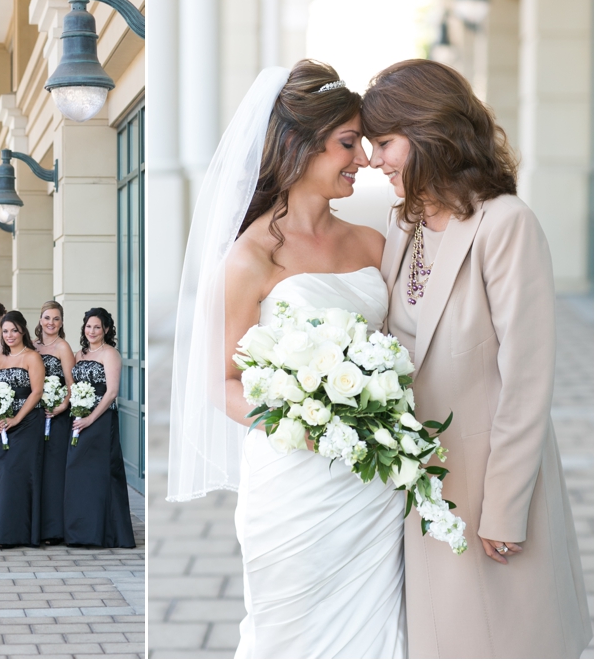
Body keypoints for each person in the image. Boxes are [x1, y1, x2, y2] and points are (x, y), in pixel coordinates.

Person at [167, 62, 404, 658]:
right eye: (348, 144)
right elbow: (221, 381)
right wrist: (299, 419)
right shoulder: (250, 258)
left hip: (370, 483)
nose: (362, 159)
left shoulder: (373, 242)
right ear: (300, 147)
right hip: (293, 483)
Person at [363, 58, 591, 659]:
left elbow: (527, 380)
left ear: (428, 131)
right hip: (423, 492)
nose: (375, 159)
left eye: (385, 143)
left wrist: (506, 509)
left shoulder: (505, 224)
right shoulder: (404, 225)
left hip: (490, 497)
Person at [64, 308, 135, 549]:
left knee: (100, 475)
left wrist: (91, 419)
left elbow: (112, 392)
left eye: (97, 326)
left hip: (100, 421)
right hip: (77, 419)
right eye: (88, 326)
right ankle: (79, 532)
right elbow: (71, 386)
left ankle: (104, 533)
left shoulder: (110, 353)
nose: (92, 331)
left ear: (105, 329)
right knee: (77, 475)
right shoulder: (78, 354)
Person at [0, 311, 45, 548]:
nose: (10, 335)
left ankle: (24, 533)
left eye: (14, 330)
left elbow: (37, 392)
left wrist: (16, 419)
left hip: (28, 423)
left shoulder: (32, 357)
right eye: (5, 331)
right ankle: (5, 533)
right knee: (4, 476)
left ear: (22, 330)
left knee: (21, 476)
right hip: (3, 425)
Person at [34, 301, 75, 544]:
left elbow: (72, 385)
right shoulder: (33, 346)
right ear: (40, 320)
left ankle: (54, 529)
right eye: (47, 318)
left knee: (54, 471)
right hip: (35, 416)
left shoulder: (63, 347)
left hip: (57, 416)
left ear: (61, 322)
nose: (51, 323)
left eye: (56, 319)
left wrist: (61, 406)